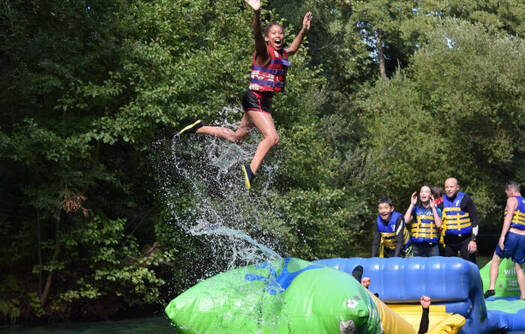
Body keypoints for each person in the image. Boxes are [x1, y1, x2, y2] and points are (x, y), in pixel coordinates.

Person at [178, 0, 312, 190]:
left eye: (280, 33)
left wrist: (303, 30)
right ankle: (251, 170)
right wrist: (256, 13)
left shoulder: (282, 54)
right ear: (267, 38)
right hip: (255, 98)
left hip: (261, 102)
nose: (278, 36)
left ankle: (198, 128)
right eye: (274, 33)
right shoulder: (263, 53)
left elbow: (293, 48)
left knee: (237, 138)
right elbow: (257, 34)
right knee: (272, 137)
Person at [484, 181, 525, 299]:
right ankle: (523, 295)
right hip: (523, 237)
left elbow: (509, 218)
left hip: (512, 234)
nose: (506, 195)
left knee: (495, 260)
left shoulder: (512, 200)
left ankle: (491, 288)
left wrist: (502, 236)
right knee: (519, 267)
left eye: (507, 192)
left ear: (511, 191)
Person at [438, 177, 479, 264]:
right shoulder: (441, 202)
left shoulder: (465, 199)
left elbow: (475, 220)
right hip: (448, 241)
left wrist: (473, 240)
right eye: (446, 187)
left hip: (465, 240)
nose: (448, 189)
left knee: (470, 266)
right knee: (448, 268)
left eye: (451, 187)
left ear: (457, 187)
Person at [404, 185, 442, 257]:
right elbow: (405, 220)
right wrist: (412, 204)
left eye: (426, 192)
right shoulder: (415, 209)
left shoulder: (437, 210)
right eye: (422, 192)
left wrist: (433, 207)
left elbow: (439, 225)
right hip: (417, 246)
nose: (423, 193)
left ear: (430, 195)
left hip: (432, 246)